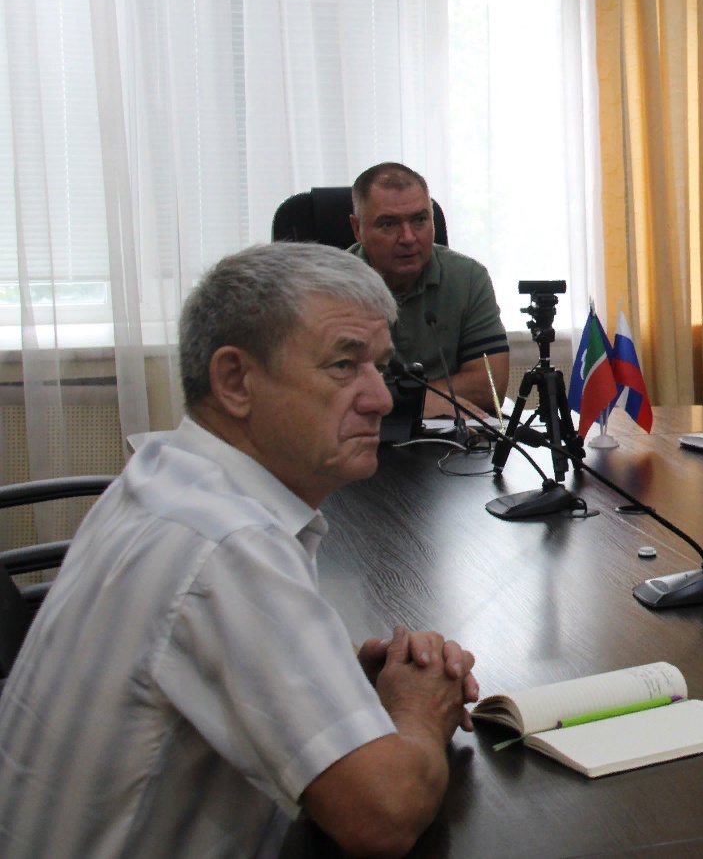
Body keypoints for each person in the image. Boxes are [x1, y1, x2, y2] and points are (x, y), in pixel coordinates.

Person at [0, 243, 479, 857]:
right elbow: (384, 816)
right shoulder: (225, 544)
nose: (381, 400)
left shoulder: (165, 474)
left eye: (379, 368)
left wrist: (342, 683)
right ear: (234, 381)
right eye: (343, 366)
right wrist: (418, 709)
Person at [348, 161, 510, 418]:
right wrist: (413, 402)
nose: (408, 237)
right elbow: (319, 392)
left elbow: (490, 386)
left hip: (451, 431)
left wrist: (417, 398)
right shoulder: (329, 287)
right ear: (358, 229)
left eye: (420, 220)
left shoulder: (468, 278)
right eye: (388, 224)